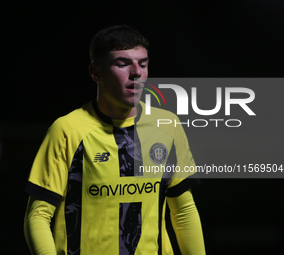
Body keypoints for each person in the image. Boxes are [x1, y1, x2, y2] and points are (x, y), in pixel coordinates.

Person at [24, 25, 205, 255]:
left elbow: (183, 211)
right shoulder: (67, 130)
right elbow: (37, 215)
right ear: (95, 73)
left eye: (143, 63)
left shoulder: (167, 127)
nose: (136, 72)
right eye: (123, 64)